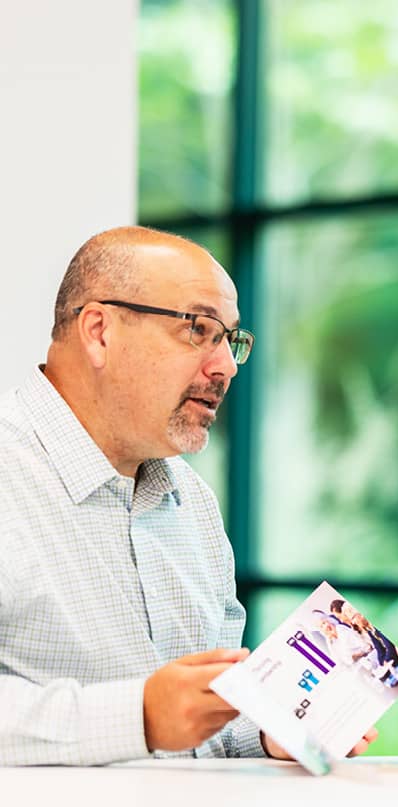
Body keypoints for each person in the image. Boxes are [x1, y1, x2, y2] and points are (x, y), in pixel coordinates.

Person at [0, 226, 374, 765]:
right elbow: (157, 719)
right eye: (198, 329)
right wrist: (138, 718)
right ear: (100, 331)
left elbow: (207, 724)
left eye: (230, 340)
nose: (223, 366)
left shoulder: (192, 503)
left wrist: (270, 731)